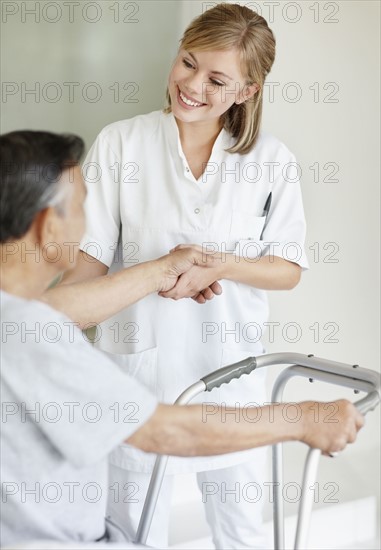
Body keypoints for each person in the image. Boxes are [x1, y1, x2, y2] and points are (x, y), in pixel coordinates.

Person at [36, 3, 332, 548]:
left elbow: (288, 269)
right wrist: (44, 336)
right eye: (188, 62)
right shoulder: (123, 143)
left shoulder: (272, 161)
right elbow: (87, 270)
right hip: (136, 379)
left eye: (217, 79)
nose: (191, 85)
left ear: (248, 89)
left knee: (240, 535)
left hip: (233, 382)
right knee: (134, 534)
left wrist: (223, 266)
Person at [0, 130, 364, 548]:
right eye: (82, 205)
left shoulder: (19, 320)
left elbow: (56, 313)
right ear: (48, 227)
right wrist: (306, 418)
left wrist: (163, 269)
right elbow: (166, 432)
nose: (88, 220)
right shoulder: (35, 341)